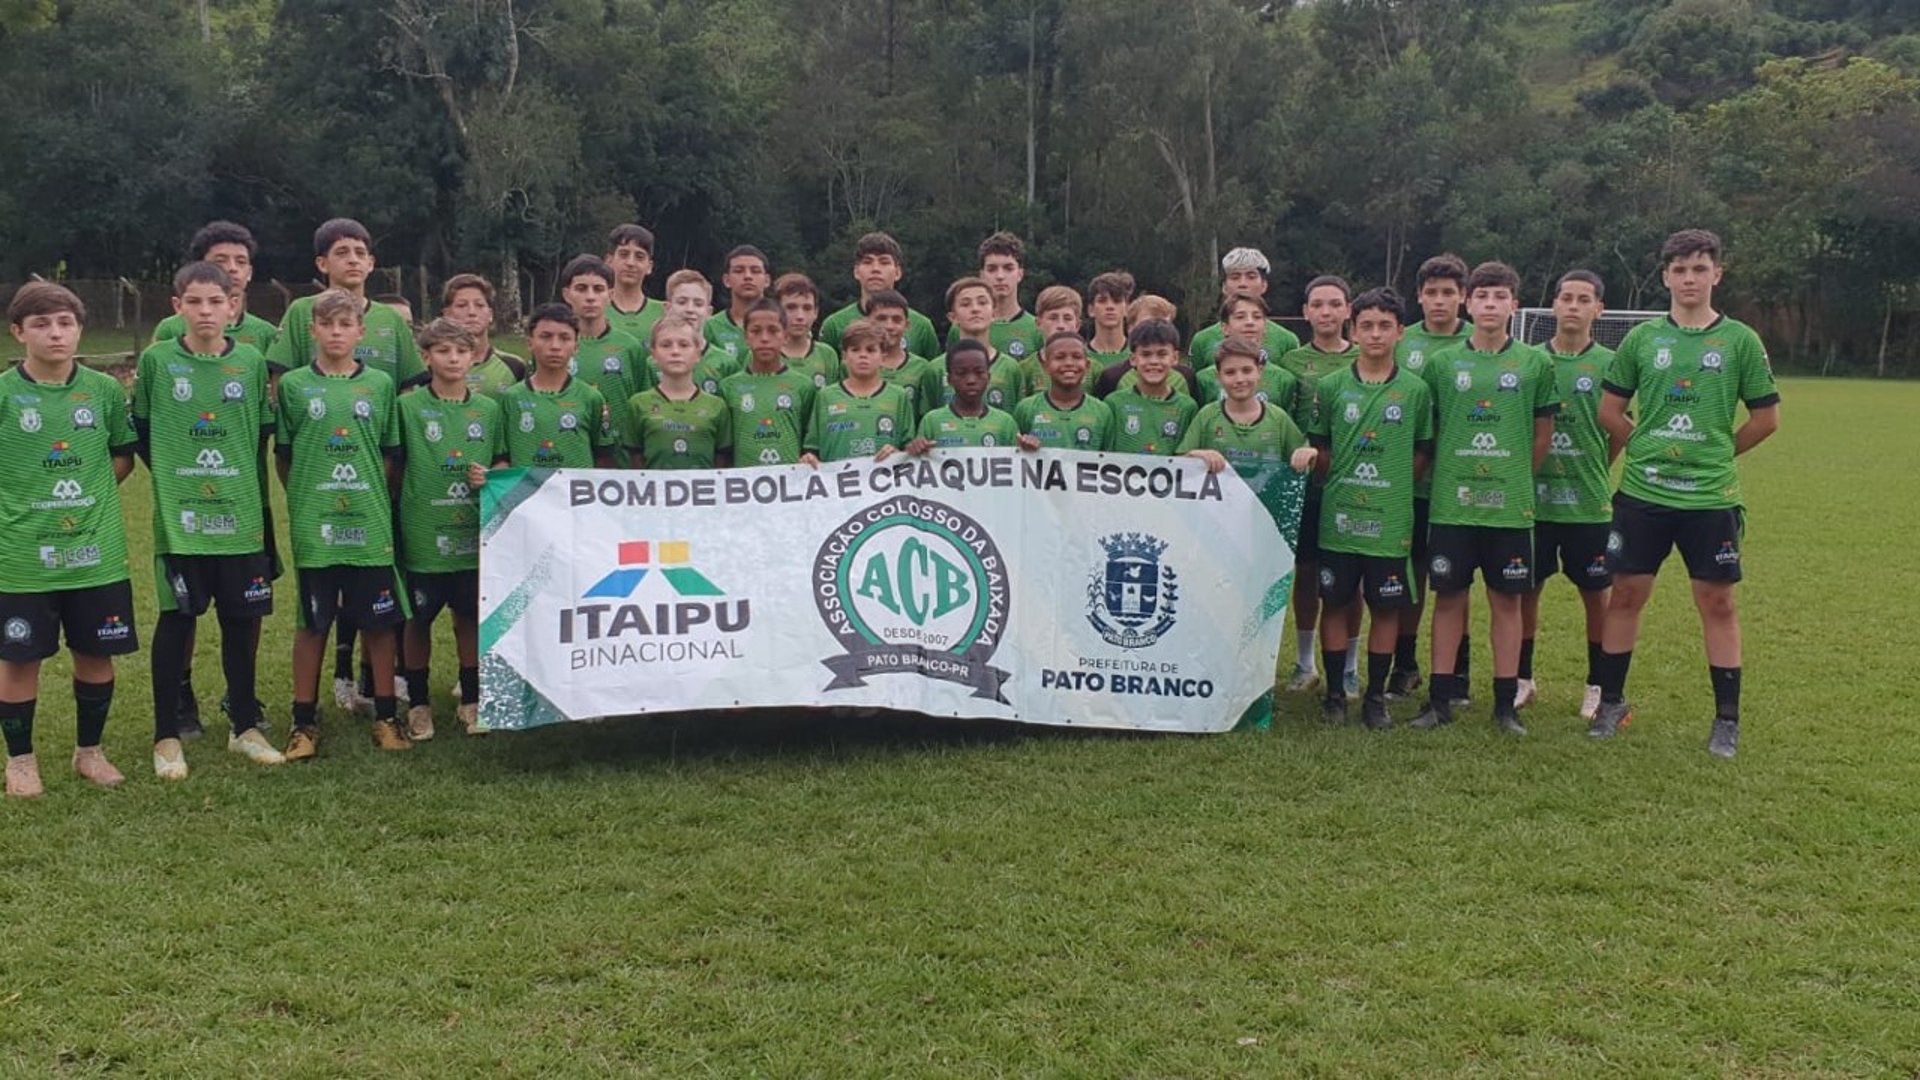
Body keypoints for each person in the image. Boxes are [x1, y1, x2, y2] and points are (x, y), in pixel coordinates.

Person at [1592, 229, 1780, 757]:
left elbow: (1767, 419)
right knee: (1626, 595)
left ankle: (1727, 720)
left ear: (1717, 274)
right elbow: (1609, 410)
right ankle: (1612, 703)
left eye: (1700, 268)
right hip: (1643, 494)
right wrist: (1646, 446)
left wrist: (1716, 454)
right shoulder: (1643, 339)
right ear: (1665, 277)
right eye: (1680, 269)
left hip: (1709, 498)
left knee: (1717, 602)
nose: (1690, 278)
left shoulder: (1741, 340)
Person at [135, 262, 282, 777]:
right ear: (177, 307)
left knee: (242, 624)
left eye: (214, 302)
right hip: (181, 522)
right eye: (194, 302)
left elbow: (260, 435)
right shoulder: (156, 362)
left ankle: (244, 726)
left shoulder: (249, 362)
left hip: (241, 518)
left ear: (232, 306)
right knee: (177, 621)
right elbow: (144, 431)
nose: (205, 312)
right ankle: (166, 736)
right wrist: (179, 483)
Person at [1, 284, 139, 797]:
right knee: (19, 659)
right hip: (21, 557)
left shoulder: (103, 392)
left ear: (79, 328)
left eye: (64, 322)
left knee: (96, 654)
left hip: (94, 554)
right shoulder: (5, 395)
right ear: (19, 333)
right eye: (41, 324)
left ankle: (90, 752)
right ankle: (20, 761)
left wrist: (89, 500)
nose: (55, 333)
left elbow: (122, 454)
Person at [1409, 262, 1558, 737]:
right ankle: (1438, 700)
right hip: (1452, 504)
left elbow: (1541, 436)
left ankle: (1504, 705)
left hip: (1509, 507)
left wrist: (1513, 477)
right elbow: (1427, 434)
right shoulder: (1442, 363)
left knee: (1507, 603)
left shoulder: (1536, 363)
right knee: (1448, 599)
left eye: (1500, 297)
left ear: (1514, 305)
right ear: (1468, 305)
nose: (1491, 305)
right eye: (1483, 297)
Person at [273, 288, 409, 759]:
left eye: (344, 325)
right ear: (312, 330)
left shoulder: (380, 386)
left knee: (379, 622)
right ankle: (304, 723)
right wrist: (309, 499)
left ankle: (388, 716)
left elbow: (391, 455)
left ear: (359, 332)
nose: (335, 333)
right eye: (326, 325)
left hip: (369, 522)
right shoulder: (292, 386)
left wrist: (368, 497)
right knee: (313, 624)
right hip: (317, 524)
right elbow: (285, 457)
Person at [1305, 288, 1433, 730]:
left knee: (1386, 608)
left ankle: (1375, 697)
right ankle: (1336, 695)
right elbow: (1319, 451)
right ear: (1353, 330)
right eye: (1366, 326)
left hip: (1390, 519)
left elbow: (1421, 454)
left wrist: (1391, 487)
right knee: (1336, 604)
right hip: (1339, 519)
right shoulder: (1331, 386)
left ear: (1400, 331)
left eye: (1384, 326)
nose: (1375, 334)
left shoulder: (1416, 391)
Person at [1177, 336, 1317, 730]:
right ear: (1218, 377)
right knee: (1215, 608)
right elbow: (1179, 458)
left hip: (1264, 536)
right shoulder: (1207, 416)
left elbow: (1302, 455)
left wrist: (1307, 454)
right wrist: (1198, 454)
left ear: (1260, 372)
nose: (1239, 379)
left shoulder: (1277, 419)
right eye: (1230, 372)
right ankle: (1208, 681)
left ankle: (1254, 690)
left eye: (1246, 370)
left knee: (1258, 614)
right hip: (1216, 536)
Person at [395, 318, 505, 740]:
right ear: (426, 357)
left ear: (473, 355)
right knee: (418, 618)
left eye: (461, 351)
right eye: (443, 351)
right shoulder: (407, 407)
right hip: (423, 529)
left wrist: (490, 475)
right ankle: (419, 704)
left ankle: (471, 700)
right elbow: (394, 466)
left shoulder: (488, 409)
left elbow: (500, 460)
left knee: (469, 616)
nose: (453, 358)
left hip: (473, 533)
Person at [1524, 270, 1624, 721]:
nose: (1573, 306)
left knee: (1596, 594)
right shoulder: (1529, 360)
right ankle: (1523, 679)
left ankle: (1598, 684)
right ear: (1553, 305)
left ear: (1598, 309)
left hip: (1588, 504)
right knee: (1526, 590)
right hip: (1535, 502)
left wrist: (1598, 466)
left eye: (1584, 299)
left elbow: (1621, 428)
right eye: (1566, 297)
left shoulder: (1611, 363)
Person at [1390, 253, 1474, 700]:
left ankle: (1459, 671)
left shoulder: (1480, 343)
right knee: (1411, 573)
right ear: (1419, 297)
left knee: (1455, 581)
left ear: (1463, 297)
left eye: (1449, 292)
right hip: (1408, 482)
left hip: (1462, 487)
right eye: (1432, 293)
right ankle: (1405, 664)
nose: (1440, 300)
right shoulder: (1403, 345)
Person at [1276, 275, 1359, 695]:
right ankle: (1305, 663)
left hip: (1355, 484)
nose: (1326, 312)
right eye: (1317, 304)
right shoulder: (1290, 362)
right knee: (1305, 574)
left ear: (1348, 310)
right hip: (1305, 486)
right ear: (1306, 312)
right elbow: (1286, 423)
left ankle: (1350, 667)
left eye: (1334, 304)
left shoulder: (1367, 357)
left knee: (1352, 578)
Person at [266, 218, 422, 385]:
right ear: (322, 263)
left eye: (360, 253)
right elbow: (280, 379)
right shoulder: (301, 311)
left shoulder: (392, 318)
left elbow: (409, 385)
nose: (353, 260)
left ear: (370, 263)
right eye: (342, 253)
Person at [498, 304, 617, 469]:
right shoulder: (512, 397)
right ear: (530, 343)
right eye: (545, 336)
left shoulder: (591, 397)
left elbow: (603, 458)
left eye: (565, 338)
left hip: (574, 493)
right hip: (528, 493)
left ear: (576, 346)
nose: (555, 346)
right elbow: (501, 458)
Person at [559, 254, 651, 466]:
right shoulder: (554, 347)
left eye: (598, 289)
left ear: (610, 294)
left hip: (621, 460)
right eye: (581, 289)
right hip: (568, 459)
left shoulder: (630, 347)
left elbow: (643, 405)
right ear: (566, 294)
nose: (590, 297)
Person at [150, 220, 278, 355]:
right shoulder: (171, 329)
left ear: (250, 272)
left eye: (240, 261)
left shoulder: (267, 334)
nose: (232, 268)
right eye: (220, 261)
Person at [627, 315, 734, 469]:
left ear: (698, 354)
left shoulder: (717, 406)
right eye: (666, 345)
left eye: (684, 345)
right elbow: (635, 461)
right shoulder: (638, 404)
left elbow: (723, 461)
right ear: (654, 354)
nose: (675, 351)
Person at [720, 299, 818, 466]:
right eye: (756, 331)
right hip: (744, 485)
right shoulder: (729, 387)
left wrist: (808, 456)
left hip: (791, 485)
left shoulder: (803, 385)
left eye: (773, 331)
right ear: (745, 337)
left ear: (785, 336)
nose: (764, 338)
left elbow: (810, 442)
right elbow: (724, 449)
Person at [801, 319, 913, 464]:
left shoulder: (898, 396)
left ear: (883, 357)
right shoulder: (826, 396)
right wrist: (808, 459)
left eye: (870, 350)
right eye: (855, 349)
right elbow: (812, 448)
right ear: (844, 356)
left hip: (884, 482)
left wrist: (898, 454)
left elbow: (909, 450)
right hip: (837, 483)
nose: (863, 355)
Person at [817, 232, 941, 359]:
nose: (875, 268)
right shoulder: (834, 325)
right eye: (867, 262)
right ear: (856, 271)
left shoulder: (921, 326)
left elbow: (933, 373)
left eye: (884, 262)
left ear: (898, 272)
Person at [1187, 247, 1301, 370]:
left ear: (1264, 285)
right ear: (1224, 287)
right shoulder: (1202, 340)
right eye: (1235, 277)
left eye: (1251, 277)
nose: (1243, 283)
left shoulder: (1287, 340)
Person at [1103, 322, 1198, 455]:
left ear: (1175, 358)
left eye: (1162, 354)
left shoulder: (1187, 407)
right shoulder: (1114, 403)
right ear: (1133, 359)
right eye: (1146, 354)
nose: (1154, 361)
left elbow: (1186, 457)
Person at [907, 340, 1021, 452]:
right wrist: (916, 449)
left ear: (988, 377)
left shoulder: (1005, 423)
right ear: (949, 379)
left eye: (979, 372)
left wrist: (1029, 451)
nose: (971, 380)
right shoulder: (931, 422)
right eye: (961, 373)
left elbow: (1019, 463)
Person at [1015, 332, 1115, 451]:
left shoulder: (1102, 412)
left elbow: (1109, 459)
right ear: (1046, 366)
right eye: (1060, 357)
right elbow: (1014, 455)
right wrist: (1024, 446)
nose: (1069, 363)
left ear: (1087, 366)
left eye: (1077, 357)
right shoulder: (1026, 408)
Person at [954, 230, 1044, 361]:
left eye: (1008, 268)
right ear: (982, 274)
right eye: (992, 269)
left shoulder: (1037, 329)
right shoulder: (961, 326)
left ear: (1020, 274)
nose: (1000, 276)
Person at [940, 277, 1024, 410]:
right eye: (965, 304)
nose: (975, 309)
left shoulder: (1011, 368)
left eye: (982, 302)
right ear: (953, 317)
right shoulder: (935, 369)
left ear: (994, 313)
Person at [437, 273, 526, 398]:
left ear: (490, 314)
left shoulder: (515, 366)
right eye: (462, 305)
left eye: (479, 305)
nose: (472, 312)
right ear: (446, 314)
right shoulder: (432, 366)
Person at [1196, 293, 1294, 406]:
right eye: (1240, 317)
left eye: (1257, 317)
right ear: (1225, 328)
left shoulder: (1284, 379)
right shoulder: (1204, 379)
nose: (1250, 322)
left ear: (1265, 326)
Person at [864, 289, 942, 418]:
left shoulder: (922, 367)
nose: (889, 326)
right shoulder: (855, 364)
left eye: (896, 320)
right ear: (867, 321)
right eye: (881, 319)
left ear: (907, 325)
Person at [663, 269, 744, 393]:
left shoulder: (726, 363)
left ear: (709, 312)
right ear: (667, 308)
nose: (690, 309)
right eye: (682, 302)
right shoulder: (654, 363)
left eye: (698, 304)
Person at [771, 272, 841, 389]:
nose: (800, 316)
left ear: (816, 313)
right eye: (791, 307)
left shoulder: (827, 354)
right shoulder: (762, 353)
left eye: (807, 308)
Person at [703, 244, 773, 360]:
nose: (747, 276)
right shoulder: (711, 327)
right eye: (739, 271)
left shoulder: (782, 325)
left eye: (755, 271)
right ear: (726, 280)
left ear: (767, 280)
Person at [604, 223, 664, 345]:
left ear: (649, 266)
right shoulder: (595, 309)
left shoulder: (664, 312)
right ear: (609, 261)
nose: (631, 263)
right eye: (624, 254)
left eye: (639, 257)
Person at [1020, 284, 1085, 395]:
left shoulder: (1092, 368)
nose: (1061, 325)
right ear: (1038, 323)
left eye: (1067, 318)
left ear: (1077, 325)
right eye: (1053, 318)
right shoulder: (1024, 368)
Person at [1086, 272, 1135, 372]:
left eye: (1117, 301)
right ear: (1091, 310)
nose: (1110, 306)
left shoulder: (1139, 356)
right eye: (1102, 300)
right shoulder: (1078, 357)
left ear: (1126, 308)